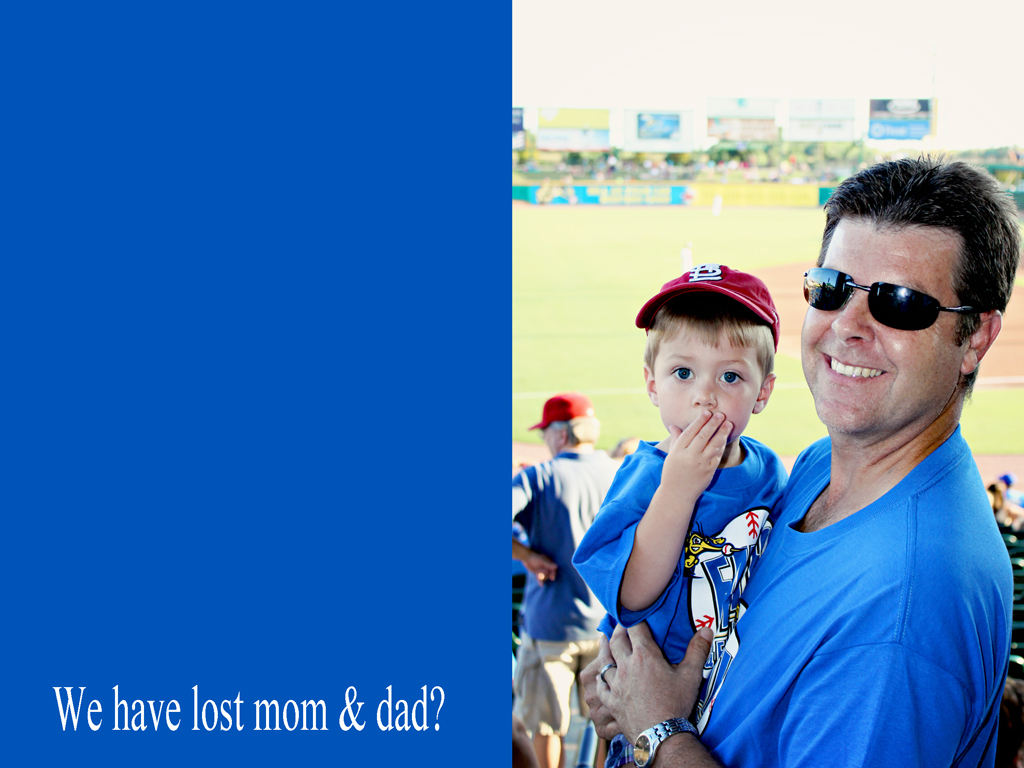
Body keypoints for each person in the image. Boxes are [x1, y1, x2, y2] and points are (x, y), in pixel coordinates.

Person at [584, 157, 1019, 768]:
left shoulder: (903, 611)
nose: (847, 326)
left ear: (975, 337)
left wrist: (656, 729)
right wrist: (618, 676)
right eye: (832, 288)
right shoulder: (822, 466)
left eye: (900, 302)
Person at [572, 265, 787, 767]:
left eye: (730, 376)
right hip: (646, 711)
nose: (704, 394)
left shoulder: (770, 472)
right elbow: (630, 595)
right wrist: (678, 488)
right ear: (652, 383)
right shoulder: (646, 476)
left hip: (730, 702)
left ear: (763, 392)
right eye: (682, 372)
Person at [513, 392, 619, 768]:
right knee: (608, 726)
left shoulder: (540, 476)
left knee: (547, 726)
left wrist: (527, 556)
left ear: (559, 435)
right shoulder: (618, 472)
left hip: (549, 628)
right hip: (607, 625)